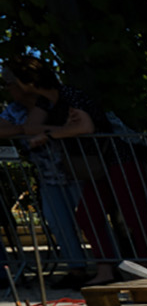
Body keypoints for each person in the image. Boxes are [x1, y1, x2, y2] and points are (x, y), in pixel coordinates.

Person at [9, 57, 122, 286]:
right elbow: (31, 128)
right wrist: (62, 130)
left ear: (27, 80)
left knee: (90, 217)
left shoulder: (69, 95)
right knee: (66, 219)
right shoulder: (45, 102)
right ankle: (87, 269)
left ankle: (108, 268)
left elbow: (84, 127)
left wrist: (51, 133)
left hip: (84, 166)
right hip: (63, 170)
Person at [1, 66, 91, 288]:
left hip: (77, 169)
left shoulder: (55, 99)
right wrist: (29, 130)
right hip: (48, 175)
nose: (9, 90)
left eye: (10, 84)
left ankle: (108, 266)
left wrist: (39, 130)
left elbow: (79, 126)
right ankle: (76, 269)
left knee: (89, 219)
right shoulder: (14, 109)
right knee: (57, 221)